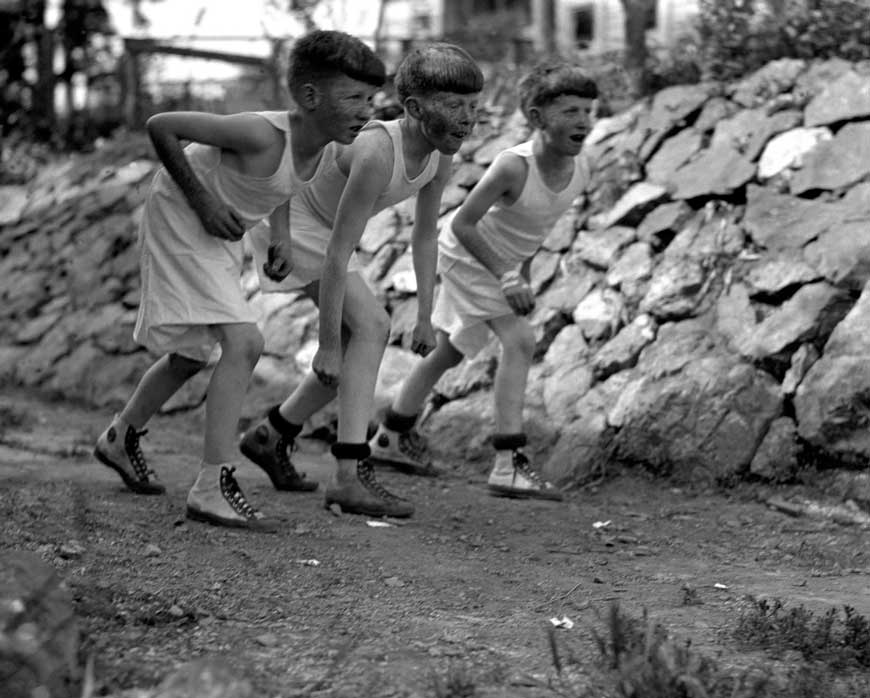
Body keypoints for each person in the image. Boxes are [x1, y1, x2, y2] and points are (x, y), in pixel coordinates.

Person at [93, 30, 386, 532]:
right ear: (311, 97)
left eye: (371, 99)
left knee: (192, 353)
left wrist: (282, 237)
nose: (366, 111)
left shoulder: (320, 146)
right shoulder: (260, 133)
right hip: (181, 218)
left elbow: (284, 189)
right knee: (244, 341)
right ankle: (213, 484)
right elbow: (161, 126)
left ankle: (121, 437)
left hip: (222, 229)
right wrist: (204, 203)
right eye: (354, 98)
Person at [240, 43, 484, 519]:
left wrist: (428, 319)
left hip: (327, 233)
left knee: (358, 353)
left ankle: (272, 434)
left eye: (473, 107)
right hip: (300, 223)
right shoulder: (376, 151)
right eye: (455, 106)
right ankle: (350, 475)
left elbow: (426, 235)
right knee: (369, 329)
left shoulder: (439, 155)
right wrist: (327, 343)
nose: (467, 118)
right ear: (414, 108)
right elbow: (337, 251)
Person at [367, 60, 598, 501]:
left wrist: (522, 275)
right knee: (520, 341)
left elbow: (533, 231)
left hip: (501, 266)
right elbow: (462, 226)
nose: (584, 121)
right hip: (467, 256)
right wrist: (507, 274)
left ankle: (390, 436)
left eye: (589, 111)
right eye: (570, 111)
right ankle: (507, 463)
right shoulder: (513, 167)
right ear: (536, 118)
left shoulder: (580, 169)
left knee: (449, 351)